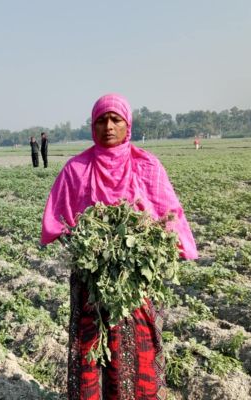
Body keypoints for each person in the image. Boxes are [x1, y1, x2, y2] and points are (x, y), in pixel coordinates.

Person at [40, 93, 198, 400]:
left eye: (116, 120)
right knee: (88, 350)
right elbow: (58, 220)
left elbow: (169, 216)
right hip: (91, 281)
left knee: (135, 353)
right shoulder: (76, 169)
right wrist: (87, 243)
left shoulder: (147, 166)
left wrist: (150, 241)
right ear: (92, 126)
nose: (108, 127)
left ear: (128, 125)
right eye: (101, 120)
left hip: (134, 284)